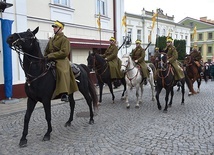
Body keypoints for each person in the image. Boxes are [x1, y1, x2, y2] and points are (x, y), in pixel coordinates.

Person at [44, 20, 78, 102]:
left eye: (55, 27)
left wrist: (51, 55)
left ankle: (64, 93)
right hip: (50, 59)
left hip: (61, 60)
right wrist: (45, 56)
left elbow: (64, 52)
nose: (54, 29)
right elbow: (46, 50)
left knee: (62, 71)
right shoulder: (51, 39)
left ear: (61, 28)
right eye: (54, 27)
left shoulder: (64, 39)